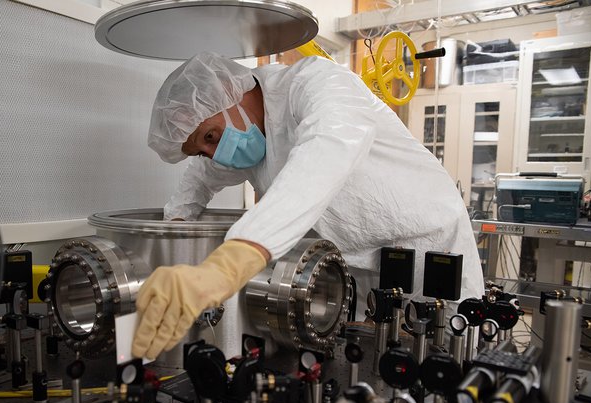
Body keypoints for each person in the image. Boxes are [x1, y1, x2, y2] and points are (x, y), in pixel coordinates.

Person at [132, 51, 483, 360]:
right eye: (201, 149)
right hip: (360, 270)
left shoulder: (315, 82)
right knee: (367, 369)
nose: (212, 154)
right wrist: (175, 234)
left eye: (209, 138)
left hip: (430, 254)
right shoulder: (237, 133)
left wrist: (230, 262)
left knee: (444, 363)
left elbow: (326, 152)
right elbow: (197, 181)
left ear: (230, 94)